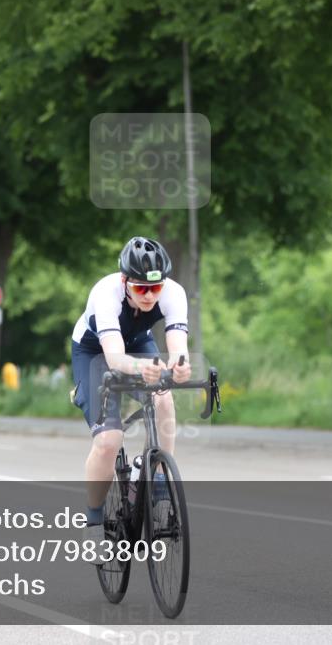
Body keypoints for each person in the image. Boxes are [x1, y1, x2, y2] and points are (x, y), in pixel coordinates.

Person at [70, 236, 191, 553]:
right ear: (125, 282)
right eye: (141, 289)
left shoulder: (173, 292)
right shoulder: (105, 294)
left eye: (156, 288)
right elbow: (115, 360)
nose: (150, 296)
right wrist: (142, 368)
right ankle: (95, 519)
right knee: (109, 441)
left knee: (163, 396)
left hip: (137, 344)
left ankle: (158, 474)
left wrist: (180, 366)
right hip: (94, 353)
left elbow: (178, 347)